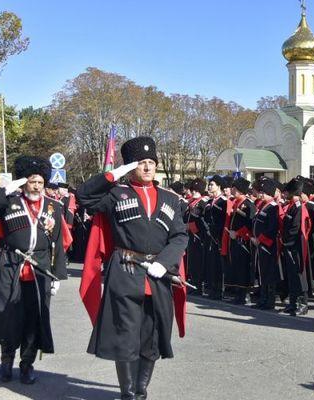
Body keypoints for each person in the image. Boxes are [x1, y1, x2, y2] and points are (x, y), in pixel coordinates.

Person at [77, 136, 188, 400]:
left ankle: (141, 391)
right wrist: (113, 174)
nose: (148, 167)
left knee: (151, 336)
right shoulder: (116, 194)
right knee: (126, 336)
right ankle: (127, 393)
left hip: (157, 275)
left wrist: (164, 263)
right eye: (141, 163)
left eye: (151, 162)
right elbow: (83, 196)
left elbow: (180, 236)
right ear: (131, 167)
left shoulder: (169, 200)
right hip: (125, 271)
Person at [0, 156, 69, 384]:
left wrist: (57, 276)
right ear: (23, 182)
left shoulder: (55, 206)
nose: (36, 186)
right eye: (31, 181)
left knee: (34, 319)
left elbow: (59, 242)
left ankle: (27, 365)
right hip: (11, 266)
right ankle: (6, 362)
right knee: (8, 316)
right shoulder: (8, 202)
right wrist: (8, 188)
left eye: (40, 182)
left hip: (40, 270)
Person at [281, 177, 312, 316]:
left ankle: (303, 304)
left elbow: (295, 228)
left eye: (289, 193)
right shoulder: (292, 206)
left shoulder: (300, 207)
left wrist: (286, 241)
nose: (286, 195)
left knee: (299, 275)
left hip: (296, 246)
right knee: (292, 276)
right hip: (289, 245)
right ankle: (293, 303)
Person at [224, 178, 256, 304]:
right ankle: (238, 293)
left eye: (234, 188)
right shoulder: (236, 202)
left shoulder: (248, 204)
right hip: (234, 239)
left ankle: (245, 294)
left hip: (243, 240)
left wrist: (237, 233)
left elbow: (250, 224)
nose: (232, 190)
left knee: (243, 267)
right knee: (236, 266)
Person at [251, 178, 280, 310]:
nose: (261, 195)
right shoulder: (263, 205)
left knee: (269, 273)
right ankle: (263, 298)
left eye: (263, 192)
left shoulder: (273, 207)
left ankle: (270, 300)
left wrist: (260, 239)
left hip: (268, 245)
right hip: (260, 244)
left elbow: (272, 228)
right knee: (262, 272)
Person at [183, 178, 209, 294]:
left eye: (196, 190)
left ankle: (197, 285)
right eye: (193, 190)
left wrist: (191, 227)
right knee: (192, 260)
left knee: (197, 261)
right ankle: (193, 282)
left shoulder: (202, 203)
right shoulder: (193, 202)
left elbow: (202, 220)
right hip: (190, 235)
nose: (193, 192)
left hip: (198, 236)